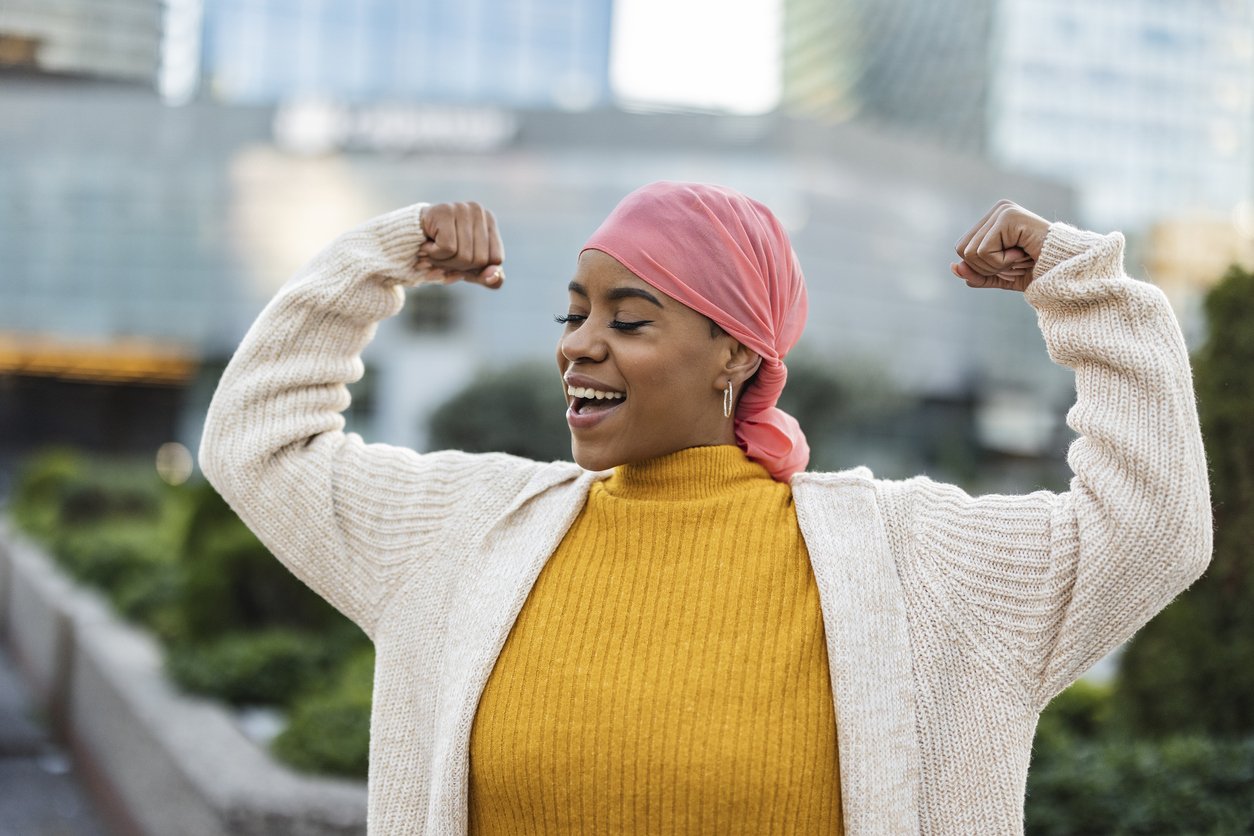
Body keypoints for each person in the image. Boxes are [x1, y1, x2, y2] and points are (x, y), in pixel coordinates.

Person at [199, 182, 1212, 835]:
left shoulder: (915, 564)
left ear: (737, 353)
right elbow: (260, 440)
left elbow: (1151, 524)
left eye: (629, 318)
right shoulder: (468, 533)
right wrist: (379, 259)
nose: (578, 343)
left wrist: (1087, 289)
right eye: (574, 312)